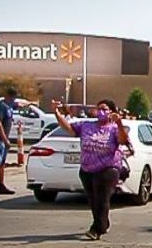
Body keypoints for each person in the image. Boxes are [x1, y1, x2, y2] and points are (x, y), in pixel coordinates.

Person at [53, 99, 129, 240]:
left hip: (108, 169)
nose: (101, 111)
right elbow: (69, 128)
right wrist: (57, 114)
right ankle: (103, 223)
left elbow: (123, 140)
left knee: (102, 199)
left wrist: (119, 123)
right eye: (98, 108)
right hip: (87, 169)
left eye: (105, 109)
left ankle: (97, 229)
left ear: (112, 112)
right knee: (93, 200)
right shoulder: (86, 125)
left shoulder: (113, 128)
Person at [0, 87, 28, 196]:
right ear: (7, 95)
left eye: (14, 97)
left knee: (1, 163)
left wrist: (29, 104)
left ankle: (1, 185)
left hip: (2, 138)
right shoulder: (1, 106)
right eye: (11, 96)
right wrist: (5, 139)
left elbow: (19, 105)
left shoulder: (10, 105)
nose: (12, 99)